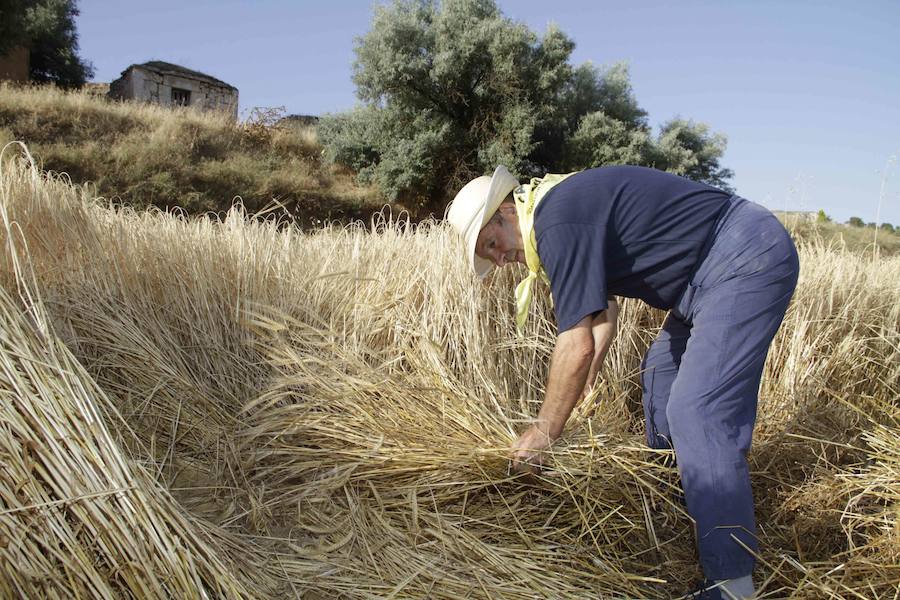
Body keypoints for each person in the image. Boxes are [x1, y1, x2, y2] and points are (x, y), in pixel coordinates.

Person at [446, 165, 800, 600]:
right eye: (489, 254)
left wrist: (543, 431)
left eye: (492, 245)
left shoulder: (556, 219)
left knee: (698, 412)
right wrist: (586, 388)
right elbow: (603, 317)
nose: (499, 260)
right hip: (700, 278)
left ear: (504, 212)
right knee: (660, 375)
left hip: (741, 256)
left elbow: (574, 344)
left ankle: (732, 584)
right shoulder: (557, 213)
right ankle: (686, 504)